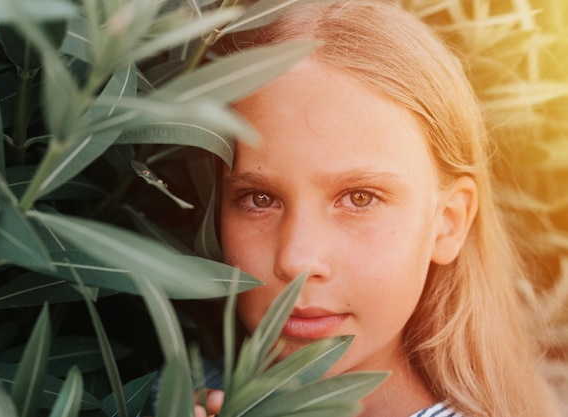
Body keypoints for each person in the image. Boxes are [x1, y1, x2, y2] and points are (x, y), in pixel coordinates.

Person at [198, 1, 563, 416]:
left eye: (360, 198)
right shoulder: (164, 394)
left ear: (448, 223)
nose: (297, 259)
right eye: (259, 199)